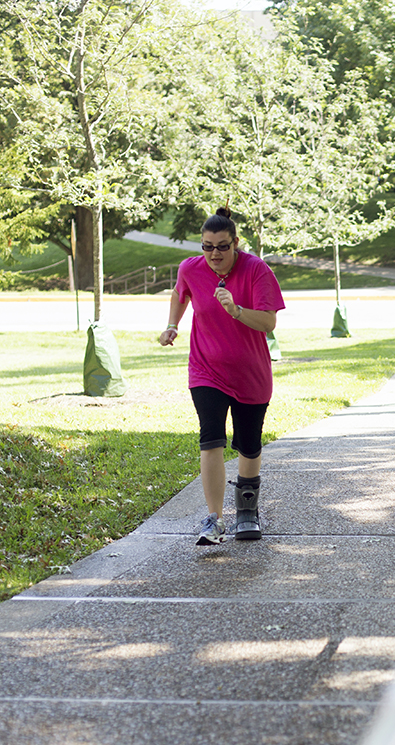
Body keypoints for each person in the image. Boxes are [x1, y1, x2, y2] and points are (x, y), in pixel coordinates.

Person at [158, 207, 285, 545]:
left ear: (236, 243)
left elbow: (269, 323)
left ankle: (247, 512)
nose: (214, 254)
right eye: (207, 246)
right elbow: (179, 292)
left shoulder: (256, 269)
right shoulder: (191, 268)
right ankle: (213, 519)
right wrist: (173, 325)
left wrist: (236, 310)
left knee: (249, 444)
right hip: (206, 368)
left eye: (222, 247)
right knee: (210, 437)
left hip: (250, 372)